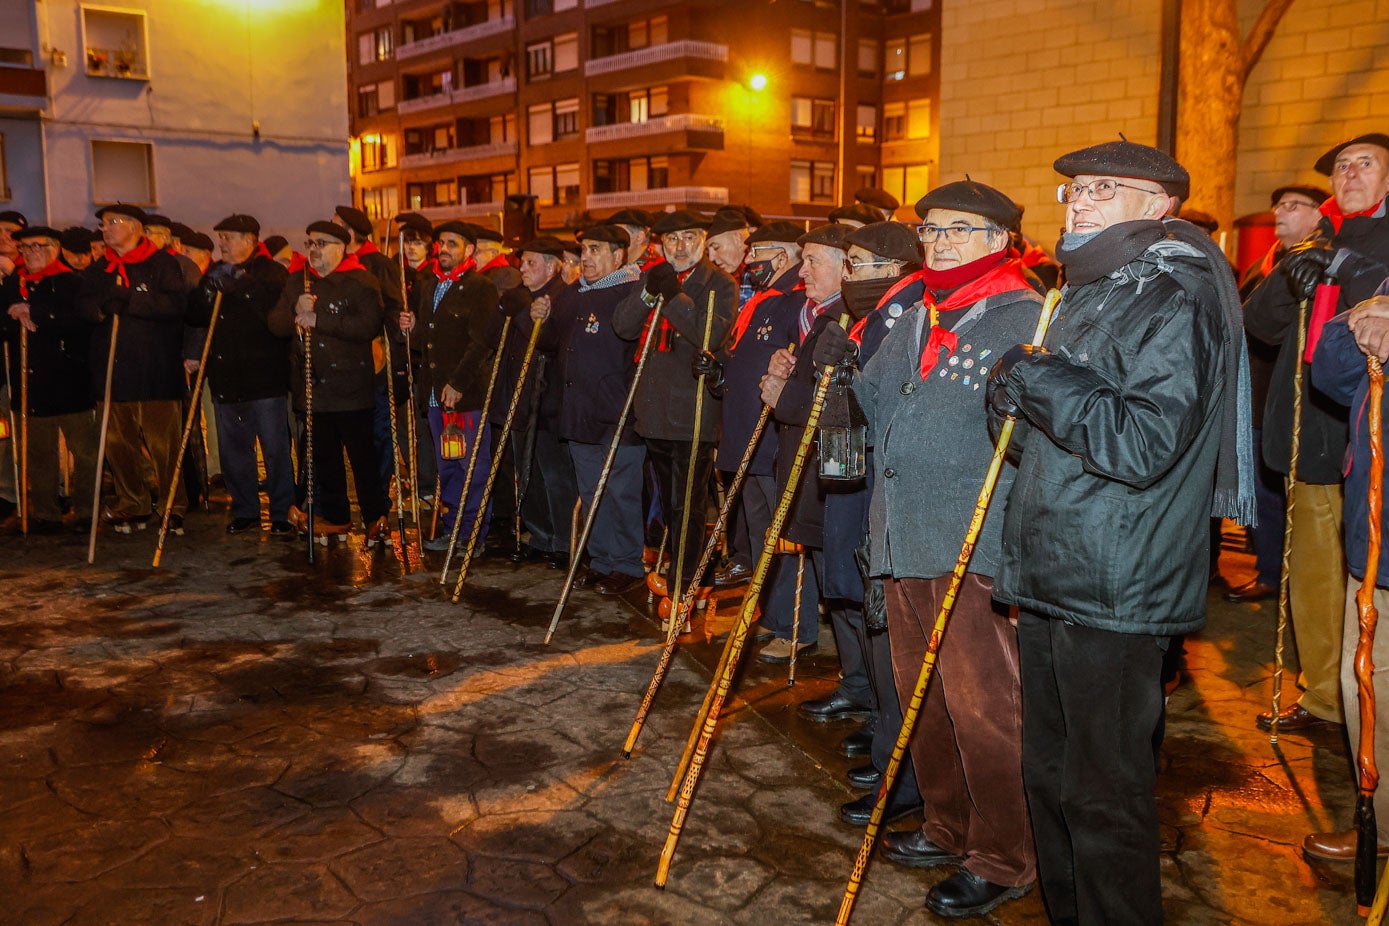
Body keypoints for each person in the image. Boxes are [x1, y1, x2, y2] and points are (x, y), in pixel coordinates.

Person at [987, 140, 1254, 924]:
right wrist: (1010, 394)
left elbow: (1139, 443)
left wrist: (1037, 377)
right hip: (1053, 561)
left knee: (1102, 795)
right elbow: (1064, 419)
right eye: (1072, 188)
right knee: (1048, 776)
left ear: (1159, 204)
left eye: (1106, 187)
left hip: (1114, 575)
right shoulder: (1094, 285)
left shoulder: (1174, 292)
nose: (1080, 200)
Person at [835, 182, 1043, 917]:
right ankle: (946, 824)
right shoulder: (920, 313)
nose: (942, 243)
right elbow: (880, 402)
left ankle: (1004, 855)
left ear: (999, 240)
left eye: (961, 230)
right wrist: (845, 366)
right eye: (931, 231)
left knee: (984, 708)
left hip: (971, 546)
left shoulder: (1025, 315)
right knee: (923, 700)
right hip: (901, 536)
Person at [1246, 135, 1389, 734]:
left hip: (1361, 437)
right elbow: (1259, 323)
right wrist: (1288, 280)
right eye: (1340, 167)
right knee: (1311, 574)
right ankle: (1325, 697)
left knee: (1366, 583)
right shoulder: (1316, 242)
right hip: (1306, 430)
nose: (1348, 174)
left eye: (1364, 164)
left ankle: (1363, 705)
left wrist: (1349, 275)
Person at [614, 210, 737, 608]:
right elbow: (624, 326)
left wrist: (672, 296)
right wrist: (651, 291)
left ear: (702, 240)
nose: (679, 247)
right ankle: (690, 575)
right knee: (670, 504)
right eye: (672, 240)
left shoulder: (719, 283)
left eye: (688, 238)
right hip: (654, 412)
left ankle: (686, 587)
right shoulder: (656, 275)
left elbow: (709, 334)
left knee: (688, 506)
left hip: (693, 413)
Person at [1310, 282, 1389, 864]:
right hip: (1376, 535)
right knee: (1365, 686)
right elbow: (1330, 370)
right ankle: (1381, 828)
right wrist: (1364, 314)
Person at [1226, 184, 1330, 604]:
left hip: (1287, 397)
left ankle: (1288, 577)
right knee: (1259, 491)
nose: (1280, 212)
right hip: (1252, 397)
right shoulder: (1261, 266)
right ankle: (1269, 568)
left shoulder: (1317, 263)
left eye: (1293, 205)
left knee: (1284, 494)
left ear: (1317, 216)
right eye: (1278, 205)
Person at [268, 220, 390, 543]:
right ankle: (336, 517)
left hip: (351, 388)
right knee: (324, 458)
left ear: (341, 247)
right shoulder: (298, 281)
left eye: (321, 244)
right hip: (313, 387)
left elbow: (367, 325)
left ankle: (375, 516)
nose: (314, 250)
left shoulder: (362, 281)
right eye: (310, 244)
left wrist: (319, 319)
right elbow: (276, 325)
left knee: (363, 457)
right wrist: (296, 310)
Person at [77, 204, 191, 534]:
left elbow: (174, 305)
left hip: (154, 370)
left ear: (135, 227)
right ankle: (133, 501)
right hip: (111, 370)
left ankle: (173, 505)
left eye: (112, 222)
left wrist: (131, 300)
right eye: (102, 224)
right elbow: (82, 304)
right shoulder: (101, 267)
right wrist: (101, 308)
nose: (105, 229)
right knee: (116, 442)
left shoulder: (161, 263)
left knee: (162, 444)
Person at [706, 221, 806, 593]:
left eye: (756, 253)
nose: (748, 261)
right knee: (751, 515)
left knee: (770, 525)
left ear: (780, 257)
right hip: (744, 427)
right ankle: (757, 587)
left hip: (767, 438)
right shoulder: (766, 300)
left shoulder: (794, 301)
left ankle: (773, 601)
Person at [554, 224, 647, 593]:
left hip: (617, 414)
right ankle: (602, 559)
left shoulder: (631, 291)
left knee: (620, 492)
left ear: (618, 255)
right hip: (579, 411)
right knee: (592, 491)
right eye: (583, 250)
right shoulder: (575, 292)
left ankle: (627, 563)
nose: (586, 257)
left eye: (595, 249)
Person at [188, 214, 293, 536]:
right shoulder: (215, 271)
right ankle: (246, 508)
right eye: (220, 237)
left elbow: (276, 316)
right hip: (227, 377)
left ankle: (281, 512)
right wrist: (207, 292)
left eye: (229, 237)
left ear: (250, 240)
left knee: (275, 450)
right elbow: (194, 314)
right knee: (235, 451)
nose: (222, 243)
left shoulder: (272, 272)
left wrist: (243, 288)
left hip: (265, 378)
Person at [402, 221, 502, 553]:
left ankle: (474, 534)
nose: (443, 249)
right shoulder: (430, 285)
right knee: (448, 466)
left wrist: (458, 384)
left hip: (465, 397)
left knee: (472, 468)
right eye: (441, 243)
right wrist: (412, 329)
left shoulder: (481, 287)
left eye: (452, 244)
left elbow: (481, 342)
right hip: (434, 396)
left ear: (469, 249)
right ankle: (453, 529)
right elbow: (426, 344)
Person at [1, 226, 98, 533]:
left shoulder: (72, 282)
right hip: (30, 383)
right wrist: (12, 315)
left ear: (54, 248)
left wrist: (38, 313)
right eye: (24, 248)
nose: (29, 253)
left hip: (70, 381)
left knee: (85, 452)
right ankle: (45, 513)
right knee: (38, 453)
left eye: (36, 246)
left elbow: (82, 322)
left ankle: (86, 510)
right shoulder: (12, 284)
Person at [508, 235, 574, 567]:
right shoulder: (525, 297)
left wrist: (529, 317)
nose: (523, 267)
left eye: (531, 262)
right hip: (524, 399)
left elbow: (552, 344)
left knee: (555, 475)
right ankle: (540, 534)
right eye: (522, 262)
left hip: (550, 402)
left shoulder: (562, 297)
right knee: (529, 472)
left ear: (552, 266)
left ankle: (564, 540)